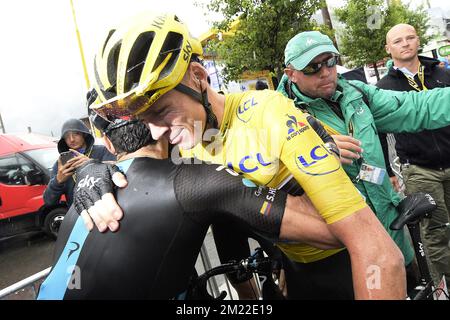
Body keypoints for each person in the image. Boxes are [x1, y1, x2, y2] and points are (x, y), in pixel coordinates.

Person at [78, 13, 443, 299]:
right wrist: (92, 175)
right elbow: (135, 170)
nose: (156, 132)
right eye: (146, 119)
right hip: (294, 268)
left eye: (162, 113)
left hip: (344, 263)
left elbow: (378, 252)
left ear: (198, 76)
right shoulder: (184, 132)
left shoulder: (266, 113)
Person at [37, 112, 343, 299]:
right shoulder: (196, 182)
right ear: (165, 130)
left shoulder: (89, 195)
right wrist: (317, 148)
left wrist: (85, 170)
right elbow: (333, 230)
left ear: (110, 144)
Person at [277, 30, 450, 297]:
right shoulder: (280, 115)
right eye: (312, 67)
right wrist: (316, 152)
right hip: (342, 250)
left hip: (389, 229)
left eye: (330, 61)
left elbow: (415, 107)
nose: (325, 72)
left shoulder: (355, 93)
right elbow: (265, 179)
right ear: (291, 73)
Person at [376, 23, 450, 287]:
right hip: (419, 169)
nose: (405, 44)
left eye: (410, 38)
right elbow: (380, 133)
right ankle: (445, 287)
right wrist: (386, 170)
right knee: (436, 232)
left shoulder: (442, 73)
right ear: (388, 48)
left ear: (418, 40)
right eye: (398, 41)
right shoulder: (384, 87)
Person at [43, 118, 115, 207]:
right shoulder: (61, 164)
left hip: (108, 206)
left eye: (76, 134)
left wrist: (92, 164)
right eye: (66, 136)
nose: (71, 139)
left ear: (84, 134)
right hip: (80, 215)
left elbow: (118, 173)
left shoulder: (102, 151)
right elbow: (49, 201)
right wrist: (57, 181)